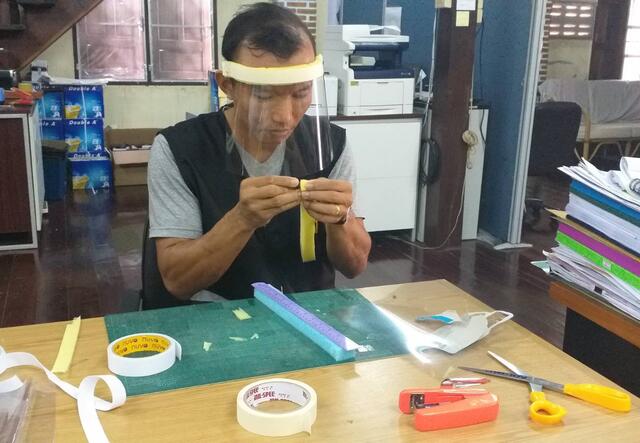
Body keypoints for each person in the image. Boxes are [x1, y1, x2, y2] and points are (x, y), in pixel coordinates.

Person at [147, 2, 371, 303]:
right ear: (227, 85)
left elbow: (355, 266)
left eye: (301, 92)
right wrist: (242, 219)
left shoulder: (332, 146)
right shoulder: (179, 150)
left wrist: (340, 220)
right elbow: (177, 280)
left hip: (307, 316)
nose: (285, 116)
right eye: (264, 95)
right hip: (214, 320)